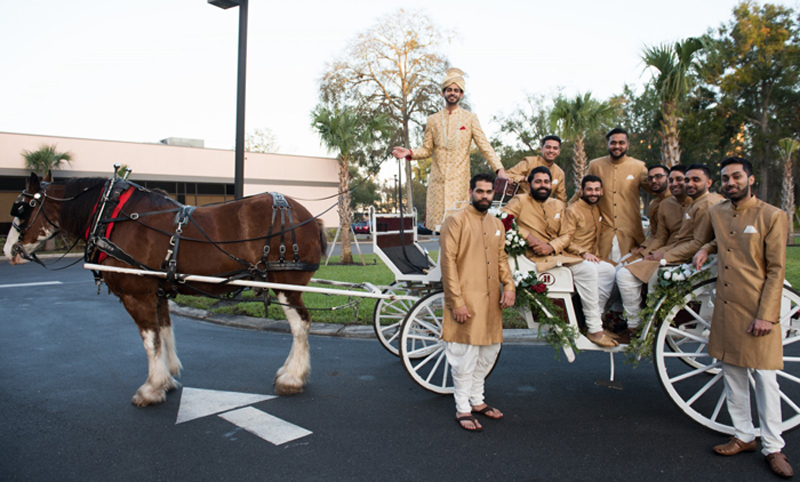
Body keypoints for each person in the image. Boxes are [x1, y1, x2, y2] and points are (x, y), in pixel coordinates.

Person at [693, 157, 792, 478]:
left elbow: (777, 269)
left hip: (758, 310)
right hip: (726, 307)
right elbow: (722, 240)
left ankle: (774, 447)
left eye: (736, 176)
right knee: (732, 374)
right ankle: (744, 436)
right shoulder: (717, 212)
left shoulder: (773, 216)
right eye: (725, 177)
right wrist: (706, 249)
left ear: (750, 180)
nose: (730, 182)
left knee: (765, 380)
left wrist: (766, 316)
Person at [502, 167, 617, 347]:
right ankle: (595, 330)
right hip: (535, 258)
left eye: (546, 182)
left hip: (557, 255)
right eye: (538, 181)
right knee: (587, 269)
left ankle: (592, 319)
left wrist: (551, 246)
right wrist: (530, 238)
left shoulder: (558, 205)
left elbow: (567, 235)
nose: (542, 185)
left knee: (607, 270)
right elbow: (502, 219)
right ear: (530, 184)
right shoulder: (520, 200)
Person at [440, 173, 516, 432]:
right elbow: (447, 263)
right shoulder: (456, 221)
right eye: (480, 191)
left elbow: (501, 258)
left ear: (494, 193)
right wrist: (456, 302)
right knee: (464, 357)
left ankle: (478, 401)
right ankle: (462, 408)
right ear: (471, 191)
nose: (484, 196)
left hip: (490, 302)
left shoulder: (496, 223)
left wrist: (510, 285)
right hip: (466, 301)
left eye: (489, 192)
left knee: (488, 353)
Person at [392, 68, 507, 232]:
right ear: (443, 93)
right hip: (437, 185)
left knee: (459, 230)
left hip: (459, 185)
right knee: (441, 231)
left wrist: (499, 169)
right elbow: (426, 150)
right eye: (449, 90)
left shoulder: (470, 118)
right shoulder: (433, 120)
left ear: (461, 95)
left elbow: (484, 145)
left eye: (456, 90)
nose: (452, 93)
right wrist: (409, 152)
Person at [616, 164, 722, 332]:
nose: (685, 184)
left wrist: (664, 257)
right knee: (622, 266)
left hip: (686, 259)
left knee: (624, 274)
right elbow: (660, 236)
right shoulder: (684, 204)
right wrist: (644, 251)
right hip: (675, 252)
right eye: (686, 180)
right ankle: (627, 318)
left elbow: (697, 243)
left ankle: (635, 325)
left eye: (693, 180)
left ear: (709, 182)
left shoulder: (707, 203)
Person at [563, 175, 617, 339]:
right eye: (589, 189)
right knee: (591, 270)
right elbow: (566, 239)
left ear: (601, 191)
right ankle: (594, 328)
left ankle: (596, 317)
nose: (593, 193)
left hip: (592, 258)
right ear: (582, 190)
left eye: (596, 189)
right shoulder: (572, 210)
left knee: (610, 270)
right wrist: (583, 253)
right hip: (574, 258)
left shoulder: (597, 208)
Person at [586, 127, 650, 262]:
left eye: (621, 143)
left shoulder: (638, 166)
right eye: (613, 143)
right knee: (604, 275)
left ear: (627, 145)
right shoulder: (595, 165)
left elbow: (656, 189)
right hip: (603, 233)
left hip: (630, 234)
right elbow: (583, 192)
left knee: (627, 277)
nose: (617, 146)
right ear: (608, 144)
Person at [506, 135, 567, 201]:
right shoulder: (529, 162)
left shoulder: (559, 173)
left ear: (558, 151)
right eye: (548, 147)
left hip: (544, 209)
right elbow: (507, 174)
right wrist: (525, 179)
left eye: (555, 148)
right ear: (541, 149)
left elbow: (562, 198)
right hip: (521, 206)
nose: (551, 151)